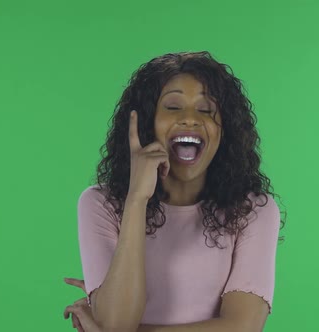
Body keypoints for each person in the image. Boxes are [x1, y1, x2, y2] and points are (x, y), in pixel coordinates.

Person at [63, 51, 286, 332]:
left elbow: (242, 327)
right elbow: (117, 323)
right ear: (148, 124)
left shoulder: (253, 211)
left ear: (225, 130)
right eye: (173, 107)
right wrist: (136, 200)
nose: (190, 119)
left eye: (206, 110)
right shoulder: (100, 204)